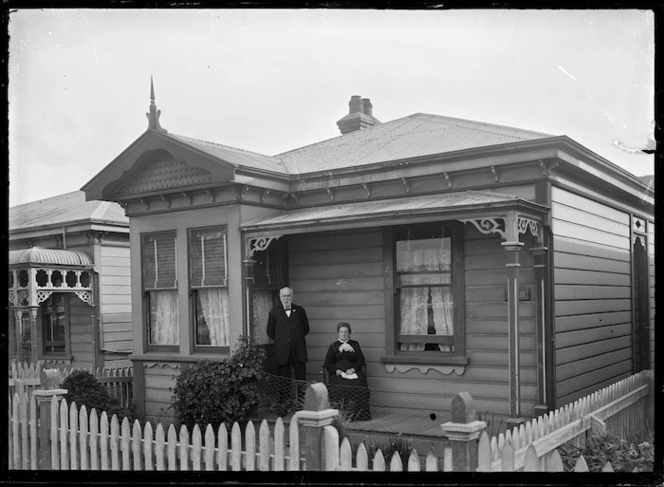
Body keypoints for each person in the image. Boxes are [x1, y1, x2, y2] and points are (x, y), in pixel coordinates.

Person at [323, 322, 371, 421]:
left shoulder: (355, 344)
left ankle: (356, 414)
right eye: (341, 332)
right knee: (340, 386)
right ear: (338, 333)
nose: (343, 334)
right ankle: (341, 415)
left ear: (349, 333)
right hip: (339, 373)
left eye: (346, 332)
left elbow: (360, 360)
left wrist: (353, 369)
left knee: (359, 385)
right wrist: (336, 371)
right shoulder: (333, 346)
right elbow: (328, 363)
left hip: (352, 372)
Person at [266, 286, 310, 381]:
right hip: (282, 351)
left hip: (298, 350)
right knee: (283, 378)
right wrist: (282, 339)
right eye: (284, 296)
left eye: (288, 296)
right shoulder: (274, 312)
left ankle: (301, 396)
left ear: (292, 296)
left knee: (301, 377)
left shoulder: (300, 311)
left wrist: (295, 338)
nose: (286, 298)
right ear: (280, 297)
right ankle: (285, 396)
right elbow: (270, 331)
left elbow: (306, 328)